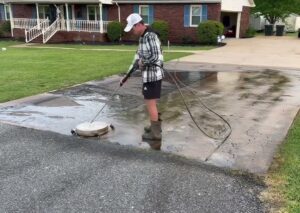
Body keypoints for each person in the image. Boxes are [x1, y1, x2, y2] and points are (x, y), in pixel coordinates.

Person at [122, 13, 164, 150]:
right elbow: (137, 58)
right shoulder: (142, 37)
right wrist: (126, 75)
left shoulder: (150, 36)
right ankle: (154, 125)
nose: (132, 31)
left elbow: (155, 56)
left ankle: (155, 133)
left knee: (150, 103)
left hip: (152, 76)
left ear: (139, 24)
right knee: (152, 103)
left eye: (133, 28)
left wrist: (142, 62)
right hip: (149, 76)